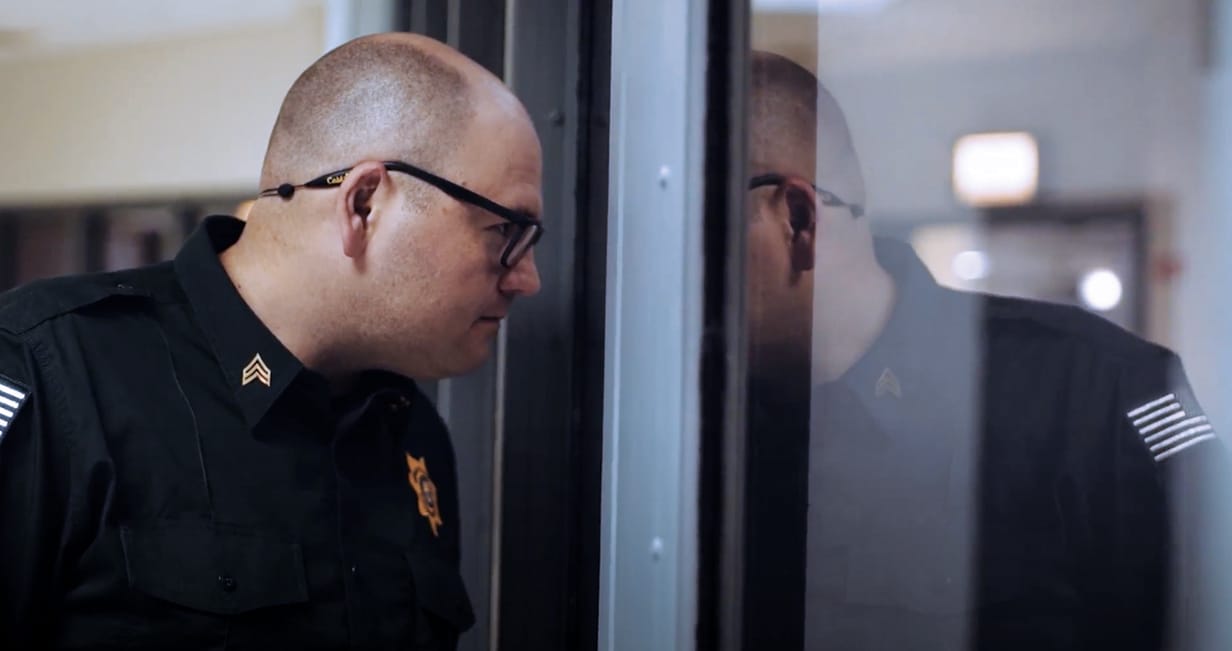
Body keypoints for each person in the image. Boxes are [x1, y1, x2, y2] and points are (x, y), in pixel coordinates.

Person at [0, 32, 544, 649]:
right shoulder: (50, 370)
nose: (526, 278)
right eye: (505, 229)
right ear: (364, 204)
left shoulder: (411, 432)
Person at [741, 51, 1228, 650]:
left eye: (701, 221)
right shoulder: (698, 426)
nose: (671, 263)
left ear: (798, 218)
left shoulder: (1098, 393)